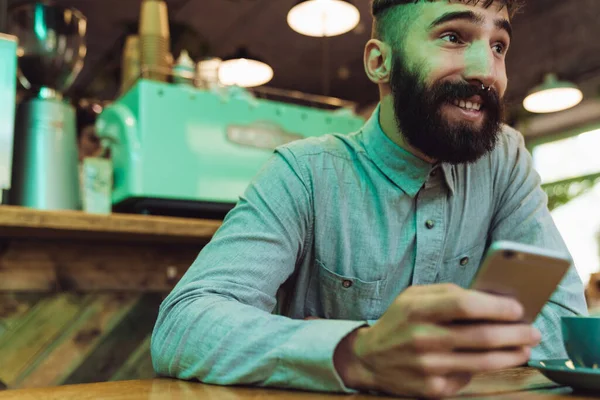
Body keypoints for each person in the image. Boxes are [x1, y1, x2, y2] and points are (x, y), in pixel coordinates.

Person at [151, 0, 588, 397]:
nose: (487, 71)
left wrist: (344, 340)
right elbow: (183, 326)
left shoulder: (503, 160)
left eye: (498, 46)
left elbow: (564, 319)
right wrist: (356, 352)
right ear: (380, 62)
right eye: (453, 37)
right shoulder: (304, 173)